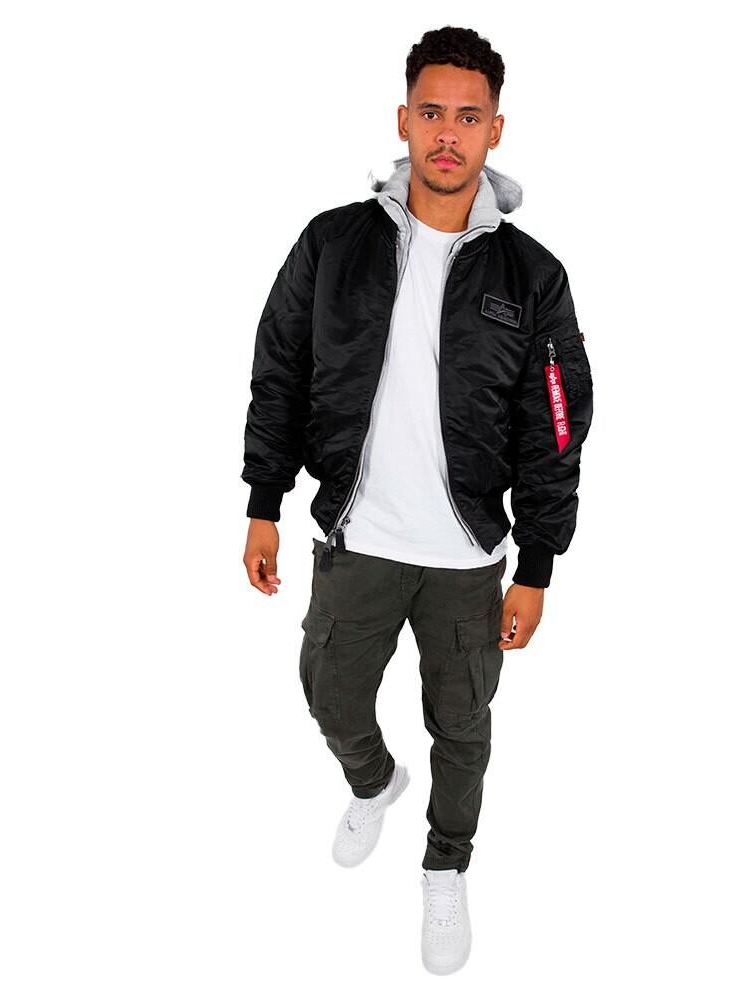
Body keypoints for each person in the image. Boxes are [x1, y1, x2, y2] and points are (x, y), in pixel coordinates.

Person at [241, 26, 593, 975]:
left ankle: (446, 864)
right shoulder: (333, 243)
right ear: (403, 120)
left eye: (468, 117)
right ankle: (372, 781)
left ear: (495, 131)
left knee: (462, 727)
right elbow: (280, 372)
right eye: (432, 112)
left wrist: (538, 566)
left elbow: (556, 426)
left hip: (467, 557)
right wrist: (265, 499)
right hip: (357, 534)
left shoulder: (532, 276)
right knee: (328, 692)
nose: (448, 133)